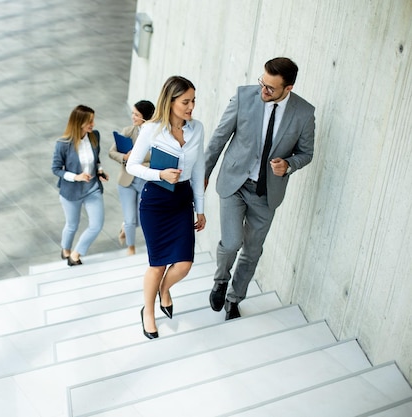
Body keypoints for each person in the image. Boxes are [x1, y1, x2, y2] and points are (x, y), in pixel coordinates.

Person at [204, 57, 315, 320]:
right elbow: (219, 137)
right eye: (262, 83)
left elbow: (306, 153)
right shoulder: (244, 97)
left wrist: (288, 164)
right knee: (231, 242)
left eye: (270, 88)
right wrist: (204, 174)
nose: (263, 91)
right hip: (234, 183)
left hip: (267, 193)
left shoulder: (304, 113)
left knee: (252, 250)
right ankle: (221, 280)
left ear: (288, 88)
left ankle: (234, 299)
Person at [126, 76, 206, 339]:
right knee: (158, 264)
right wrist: (158, 174)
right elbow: (132, 166)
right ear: (170, 102)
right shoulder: (152, 129)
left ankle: (163, 290)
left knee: (183, 264)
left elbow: (198, 171)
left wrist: (200, 208)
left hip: (182, 200)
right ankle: (148, 311)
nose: (191, 106)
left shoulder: (197, 129)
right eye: (185, 101)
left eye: (193, 100)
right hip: (156, 202)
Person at [52, 105, 109, 266]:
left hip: (92, 189)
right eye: (89, 121)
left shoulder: (94, 136)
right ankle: (65, 250)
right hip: (71, 191)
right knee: (72, 225)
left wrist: (100, 171)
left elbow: (96, 159)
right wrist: (76, 177)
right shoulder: (63, 144)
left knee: (96, 225)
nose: (93, 124)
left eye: (93, 120)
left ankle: (75, 254)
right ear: (78, 122)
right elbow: (56, 169)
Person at [108, 100, 155, 256]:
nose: (133, 117)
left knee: (142, 219)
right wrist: (125, 157)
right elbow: (112, 152)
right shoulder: (128, 131)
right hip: (127, 182)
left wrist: (138, 160)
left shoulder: (155, 135)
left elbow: (156, 158)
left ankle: (124, 228)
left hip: (145, 182)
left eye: (136, 114)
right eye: (133, 113)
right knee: (130, 219)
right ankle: (131, 248)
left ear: (145, 117)